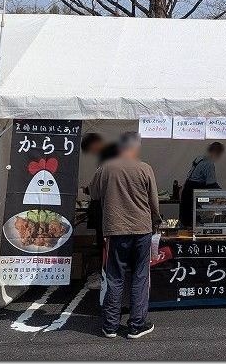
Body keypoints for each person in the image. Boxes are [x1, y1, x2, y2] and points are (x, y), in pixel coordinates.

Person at [89, 132, 160, 339]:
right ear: (136, 147)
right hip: (142, 229)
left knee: (114, 276)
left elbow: (94, 194)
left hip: (115, 229)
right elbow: (153, 202)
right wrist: (156, 222)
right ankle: (136, 325)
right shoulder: (145, 168)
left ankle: (110, 325)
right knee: (140, 276)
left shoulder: (106, 168)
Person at [81, 132, 121, 291]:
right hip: (114, 210)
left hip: (105, 210)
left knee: (104, 243)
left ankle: (107, 275)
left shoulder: (107, 161)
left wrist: (87, 189)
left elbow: (95, 190)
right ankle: (109, 274)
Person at [179, 142, 225, 228]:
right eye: (219, 153)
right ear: (216, 152)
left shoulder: (199, 158)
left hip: (187, 191)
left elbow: (190, 176)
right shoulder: (209, 164)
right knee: (190, 223)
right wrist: (223, 195)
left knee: (185, 222)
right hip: (192, 195)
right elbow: (211, 184)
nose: (219, 156)